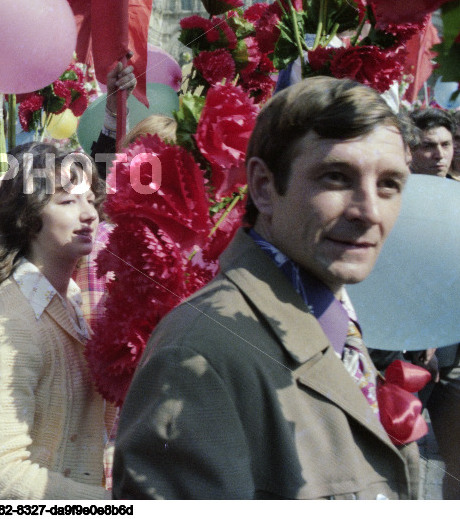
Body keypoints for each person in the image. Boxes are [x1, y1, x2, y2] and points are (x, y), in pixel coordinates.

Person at [114, 77, 419, 499]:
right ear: (262, 186)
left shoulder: (332, 317)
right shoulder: (200, 355)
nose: (369, 210)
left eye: (389, 184)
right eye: (335, 177)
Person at [0, 142, 116, 500]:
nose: (89, 214)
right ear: (26, 219)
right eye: (68, 201)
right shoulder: (8, 324)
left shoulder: (69, 300)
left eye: (90, 199)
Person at [409, 107, 455, 178]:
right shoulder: (398, 188)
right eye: (428, 146)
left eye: (445, 145)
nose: (440, 155)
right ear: (410, 150)